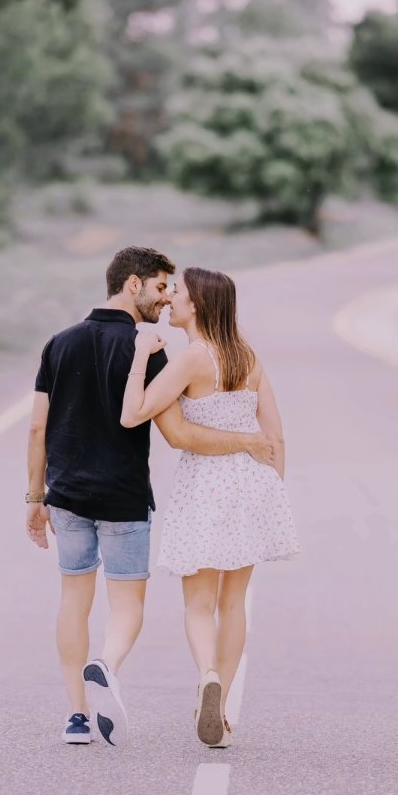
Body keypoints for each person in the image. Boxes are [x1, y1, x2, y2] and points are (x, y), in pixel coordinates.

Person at [26, 247, 275, 748]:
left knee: (74, 600)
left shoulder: (59, 343)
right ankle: (117, 666)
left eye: (173, 290)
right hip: (125, 497)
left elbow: (37, 429)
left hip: (67, 495)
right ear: (133, 284)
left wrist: (36, 495)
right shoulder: (159, 349)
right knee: (133, 607)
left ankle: (76, 715)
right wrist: (250, 447)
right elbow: (177, 431)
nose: (166, 299)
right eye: (162, 287)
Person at [121, 266, 299, 749]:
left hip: (206, 485)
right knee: (234, 603)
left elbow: (133, 412)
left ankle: (206, 676)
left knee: (199, 604)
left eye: (177, 292)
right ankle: (218, 705)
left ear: (197, 304)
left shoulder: (193, 359)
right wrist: (270, 496)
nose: (171, 300)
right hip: (252, 485)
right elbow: (276, 436)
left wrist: (140, 357)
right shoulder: (248, 357)